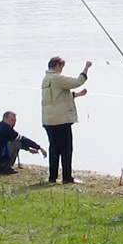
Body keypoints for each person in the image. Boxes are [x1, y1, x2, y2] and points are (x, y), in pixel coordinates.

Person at [41, 56, 91, 184]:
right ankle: (67, 178)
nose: (62, 69)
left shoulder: (46, 79)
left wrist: (77, 95)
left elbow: (57, 98)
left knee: (54, 149)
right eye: (61, 66)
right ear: (56, 66)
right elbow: (77, 82)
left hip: (48, 120)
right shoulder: (57, 78)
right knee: (66, 149)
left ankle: (52, 177)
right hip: (61, 120)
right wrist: (86, 68)